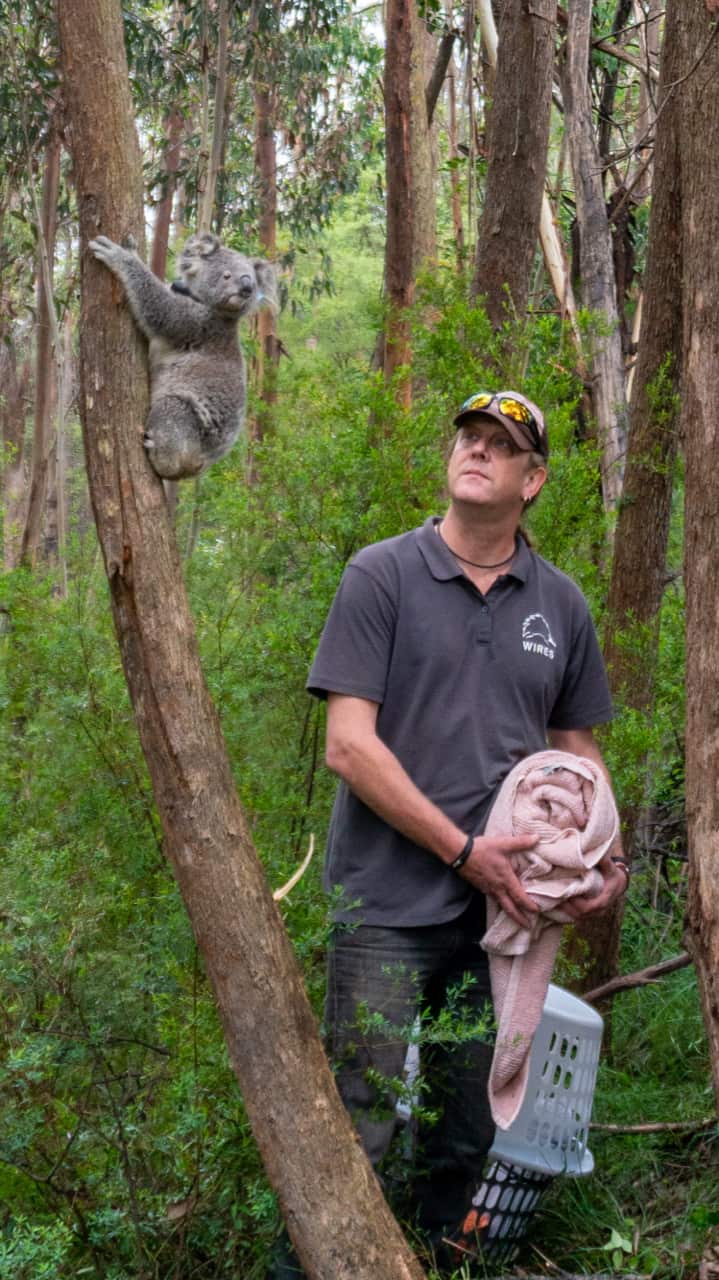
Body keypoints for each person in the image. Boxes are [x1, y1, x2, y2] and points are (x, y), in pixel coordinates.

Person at [280, 391, 628, 1277]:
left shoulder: (562, 604)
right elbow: (348, 748)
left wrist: (606, 857)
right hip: (386, 908)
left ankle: (443, 1266)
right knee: (359, 1116)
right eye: (467, 437)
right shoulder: (382, 575)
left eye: (499, 445)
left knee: (467, 1133)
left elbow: (577, 754)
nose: (476, 450)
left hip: (503, 924)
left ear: (532, 480)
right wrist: (465, 853)